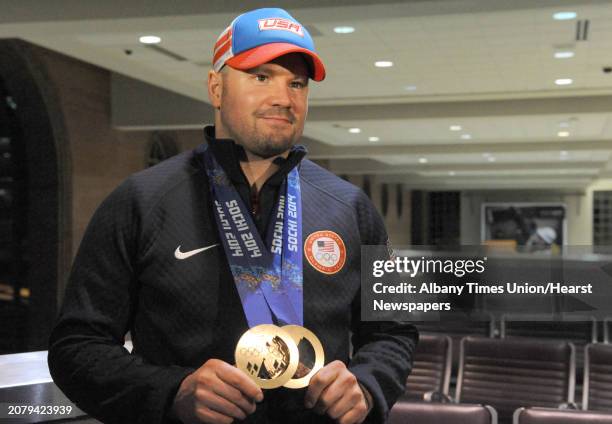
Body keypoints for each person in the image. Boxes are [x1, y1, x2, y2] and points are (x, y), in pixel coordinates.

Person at [48, 7, 418, 424]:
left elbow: (393, 332)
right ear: (216, 88)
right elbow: (76, 347)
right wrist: (172, 391)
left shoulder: (351, 206)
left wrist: (367, 385)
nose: (284, 97)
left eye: (297, 83)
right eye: (261, 77)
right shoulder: (141, 200)